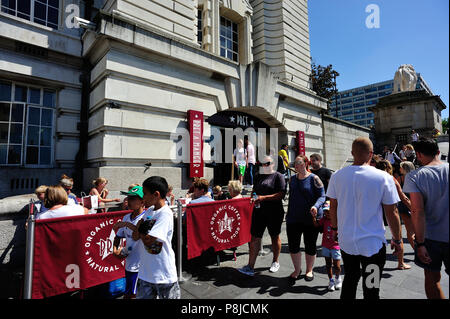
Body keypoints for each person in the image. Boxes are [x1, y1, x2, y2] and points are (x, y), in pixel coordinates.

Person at [326, 137, 403, 299]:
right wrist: (397, 239)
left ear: (352, 153)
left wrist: (334, 228)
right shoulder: (384, 177)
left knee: (351, 279)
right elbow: (392, 212)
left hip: (347, 241)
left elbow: (333, 206)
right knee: (371, 287)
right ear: (371, 154)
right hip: (373, 243)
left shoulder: (337, 176)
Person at [403, 138, 449, 299]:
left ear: (419, 155)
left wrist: (420, 242)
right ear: (438, 152)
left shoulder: (415, 176)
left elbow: (417, 210)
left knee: (432, 280)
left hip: (431, 238)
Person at [130, 176, 180, 299]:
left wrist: (141, 228)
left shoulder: (165, 213)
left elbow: (148, 241)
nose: (143, 198)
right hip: (145, 273)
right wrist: (142, 231)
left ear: (156, 194)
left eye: (145, 194)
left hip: (163, 275)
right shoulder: (150, 210)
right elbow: (135, 236)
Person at [238, 155, 286, 276]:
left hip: (274, 211)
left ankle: (275, 261)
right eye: (263, 163)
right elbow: (254, 191)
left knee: (274, 236)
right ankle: (250, 266)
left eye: (267, 163)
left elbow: (281, 194)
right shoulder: (258, 176)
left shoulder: (278, 176)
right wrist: (253, 198)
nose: (264, 165)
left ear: (273, 164)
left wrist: (263, 198)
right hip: (259, 211)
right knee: (254, 237)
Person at [286, 155, 326, 282]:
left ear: (306, 163)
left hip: (310, 218)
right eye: (295, 164)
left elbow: (322, 196)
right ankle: (297, 269)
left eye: (300, 163)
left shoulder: (314, 178)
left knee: (310, 245)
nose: (297, 166)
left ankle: (309, 270)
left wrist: (315, 206)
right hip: (293, 218)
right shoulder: (292, 179)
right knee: (293, 245)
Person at [375, 160, 412, 270]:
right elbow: (403, 197)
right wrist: (414, 210)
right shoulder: (390, 179)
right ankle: (401, 263)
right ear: (389, 168)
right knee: (398, 237)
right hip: (390, 212)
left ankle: (373, 262)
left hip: (376, 214)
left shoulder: (372, 179)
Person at [113, 186, 146, 299]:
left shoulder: (146, 218)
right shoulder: (126, 216)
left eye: (132, 198)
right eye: (128, 197)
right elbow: (118, 237)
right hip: (130, 263)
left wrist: (125, 224)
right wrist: (115, 250)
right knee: (130, 293)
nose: (128, 200)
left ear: (142, 201)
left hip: (142, 265)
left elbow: (137, 235)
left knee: (132, 294)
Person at [313, 201, 342, 291]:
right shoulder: (324, 219)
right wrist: (313, 216)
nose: (327, 213)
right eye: (325, 211)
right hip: (325, 246)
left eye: (328, 211)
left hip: (335, 246)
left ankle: (338, 278)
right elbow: (316, 225)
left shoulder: (338, 219)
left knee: (337, 266)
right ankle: (331, 281)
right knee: (328, 265)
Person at [397, 161, 416, 250]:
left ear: (404, 169)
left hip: (403, 205)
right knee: (418, 229)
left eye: (401, 167)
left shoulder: (400, 178)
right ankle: (420, 249)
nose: (399, 169)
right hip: (416, 204)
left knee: (410, 231)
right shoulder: (416, 178)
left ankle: (417, 251)